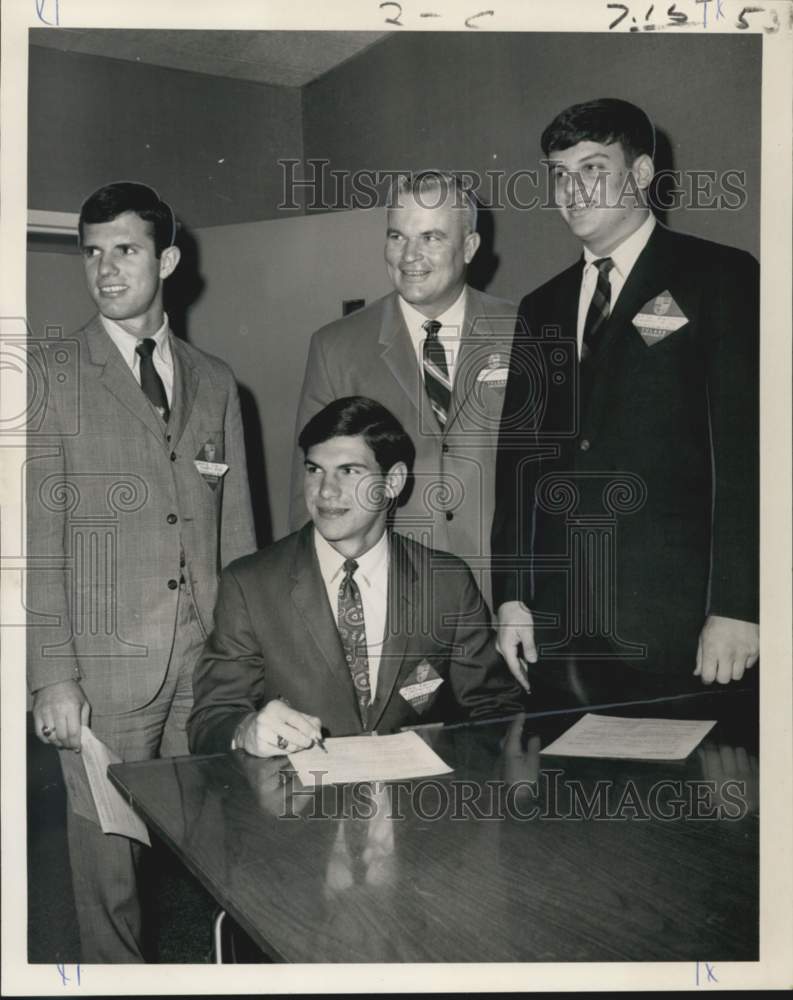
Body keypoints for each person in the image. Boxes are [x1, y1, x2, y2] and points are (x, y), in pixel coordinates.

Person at [26, 181, 256, 962]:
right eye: (92, 253)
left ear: (167, 257)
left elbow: (239, 533)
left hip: (204, 662)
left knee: (222, 855)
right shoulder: (50, 375)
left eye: (124, 250)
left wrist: (244, 657)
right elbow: (35, 538)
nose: (105, 269)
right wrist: (52, 676)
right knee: (108, 875)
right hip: (102, 674)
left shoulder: (217, 381)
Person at [492, 98, 759, 697]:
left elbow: (749, 456)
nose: (572, 189)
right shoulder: (541, 307)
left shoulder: (720, 277)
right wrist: (511, 595)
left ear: (640, 174)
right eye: (559, 174)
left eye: (592, 168)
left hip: (684, 626)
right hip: (559, 626)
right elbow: (519, 465)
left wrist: (740, 606)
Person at [189, 397, 523, 756]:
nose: (326, 491)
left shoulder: (447, 583)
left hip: (418, 803)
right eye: (314, 469)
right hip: (297, 804)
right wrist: (244, 730)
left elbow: (495, 709)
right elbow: (210, 720)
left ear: (392, 482)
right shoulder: (249, 585)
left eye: (348, 471)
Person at [290, 171, 515, 608]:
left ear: (468, 247)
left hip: (504, 600)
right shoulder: (336, 346)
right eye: (397, 236)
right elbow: (314, 498)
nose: (410, 255)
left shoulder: (522, 330)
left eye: (430, 237)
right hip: (391, 602)